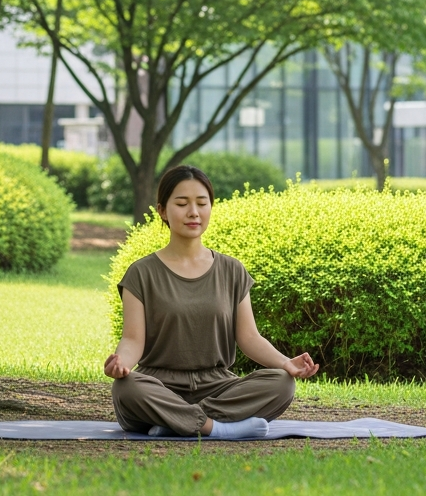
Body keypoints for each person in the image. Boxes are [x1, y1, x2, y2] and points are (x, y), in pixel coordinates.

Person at [105, 164, 319, 439]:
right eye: (182, 204)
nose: (193, 212)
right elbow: (133, 340)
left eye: (202, 203)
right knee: (127, 389)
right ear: (162, 211)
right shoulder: (142, 273)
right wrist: (120, 363)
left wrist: (286, 362)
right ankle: (216, 428)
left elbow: (250, 338)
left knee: (281, 383)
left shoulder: (232, 270)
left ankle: (174, 422)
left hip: (217, 385)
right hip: (159, 385)